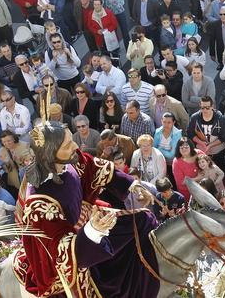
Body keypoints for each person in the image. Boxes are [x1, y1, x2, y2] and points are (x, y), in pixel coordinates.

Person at [15, 120, 159, 297]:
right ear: (50, 153)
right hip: (77, 247)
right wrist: (93, 231)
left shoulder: (68, 161)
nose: (75, 146)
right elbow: (60, 250)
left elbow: (92, 165)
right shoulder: (39, 202)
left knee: (142, 220)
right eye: (68, 145)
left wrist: (130, 184)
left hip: (89, 223)